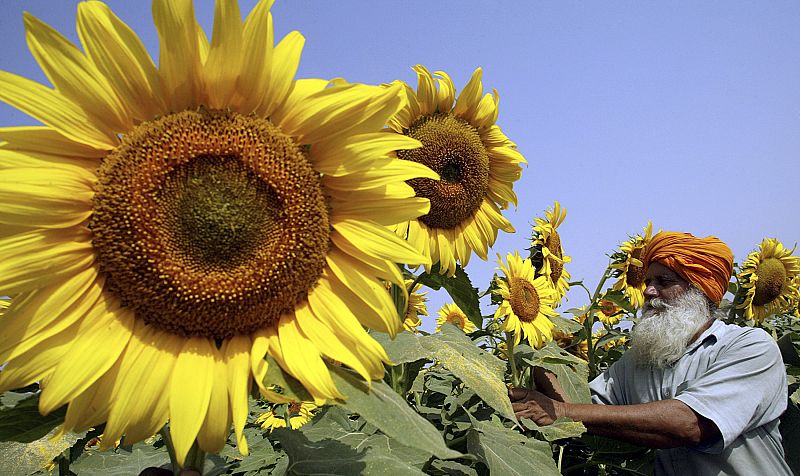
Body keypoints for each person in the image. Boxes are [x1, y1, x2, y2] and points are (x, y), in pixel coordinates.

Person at [509, 231, 791, 475]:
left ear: (700, 291)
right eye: (647, 281)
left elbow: (689, 424)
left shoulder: (750, 346)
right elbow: (581, 405)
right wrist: (537, 346)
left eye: (663, 282)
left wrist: (562, 411)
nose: (648, 291)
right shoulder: (639, 360)